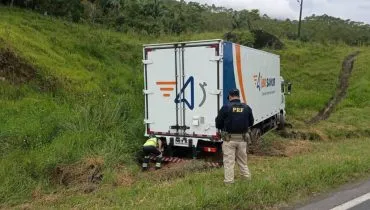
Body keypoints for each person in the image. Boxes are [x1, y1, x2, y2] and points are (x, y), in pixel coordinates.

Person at [215, 89, 254, 184]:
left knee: (229, 162)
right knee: (242, 161)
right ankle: (247, 180)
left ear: (230, 96)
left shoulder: (226, 107)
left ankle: (229, 183)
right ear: (238, 96)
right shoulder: (246, 107)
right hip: (242, 139)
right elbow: (251, 122)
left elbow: (218, 123)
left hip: (229, 140)